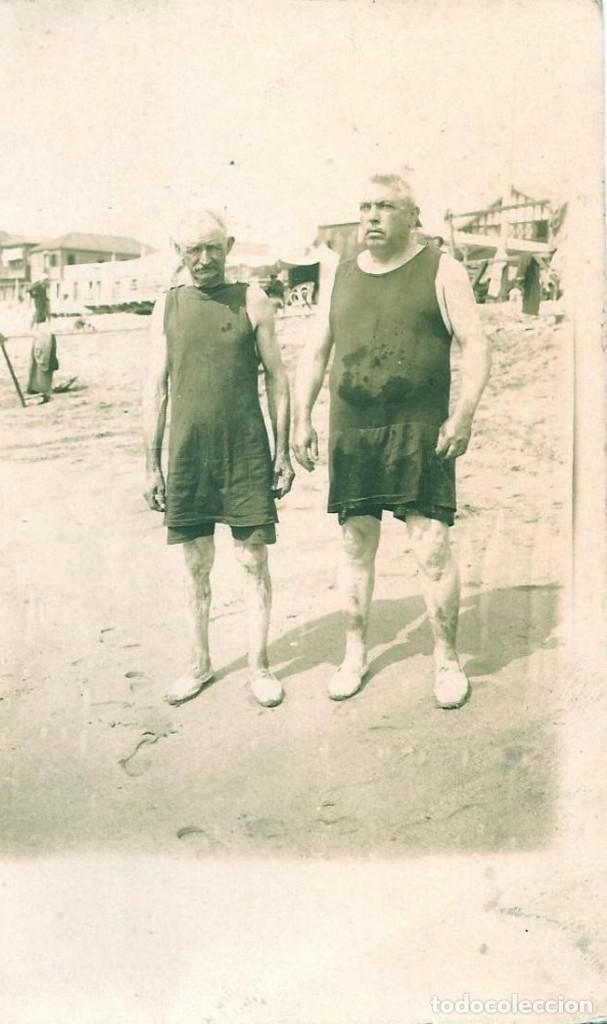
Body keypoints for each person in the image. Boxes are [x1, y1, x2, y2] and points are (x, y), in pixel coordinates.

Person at [293, 173, 490, 709]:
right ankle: (354, 653)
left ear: (412, 216)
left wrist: (463, 415)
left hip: (419, 432)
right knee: (356, 544)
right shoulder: (340, 275)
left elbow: (475, 346)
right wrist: (300, 418)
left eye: (384, 207)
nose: (372, 217)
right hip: (353, 432)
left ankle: (447, 660)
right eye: (364, 207)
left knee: (431, 548)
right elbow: (314, 353)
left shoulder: (442, 269)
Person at [143, 209, 295, 708]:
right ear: (178, 252)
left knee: (253, 560)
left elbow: (277, 377)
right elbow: (156, 390)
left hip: (246, 453)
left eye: (212, 248)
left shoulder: (252, 298)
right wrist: (151, 464)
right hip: (188, 455)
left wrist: (282, 453)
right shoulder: (166, 307)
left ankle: (259, 665)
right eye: (193, 250)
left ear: (228, 246)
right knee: (195, 565)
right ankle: (199, 664)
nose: (203, 259)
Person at [27, 279, 58, 403]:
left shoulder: (42, 299)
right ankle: (41, 387)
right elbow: (30, 289)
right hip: (42, 326)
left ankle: (39, 387)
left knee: (41, 356)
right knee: (42, 356)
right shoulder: (41, 299)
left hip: (42, 326)